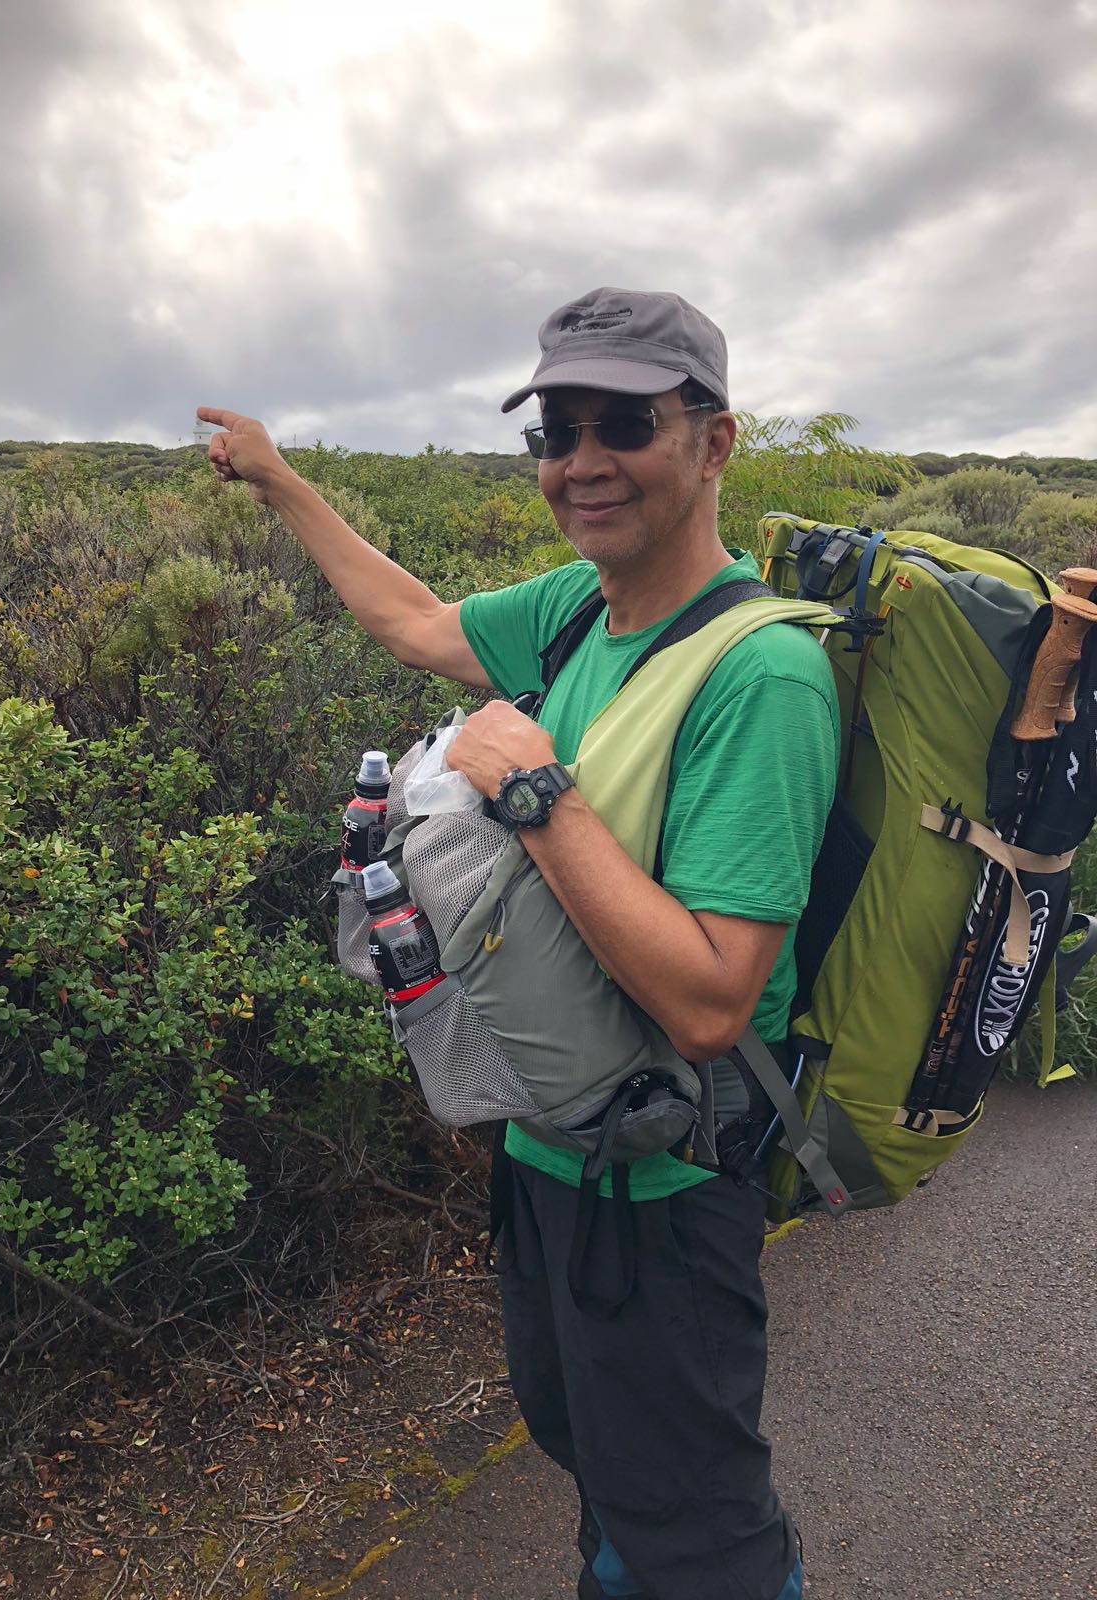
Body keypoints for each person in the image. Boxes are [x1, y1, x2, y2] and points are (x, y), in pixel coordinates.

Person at [198, 286, 836, 1600]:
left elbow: (713, 1003)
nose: (582, 462)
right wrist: (280, 482)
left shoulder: (762, 678)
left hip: (665, 1186)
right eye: (557, 431)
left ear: (714, 441)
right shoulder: (574, 609)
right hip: (550, 1155)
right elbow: (414, 624)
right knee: (599, 1470)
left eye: (625, 425)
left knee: (702, 1536)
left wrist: (536, 793)